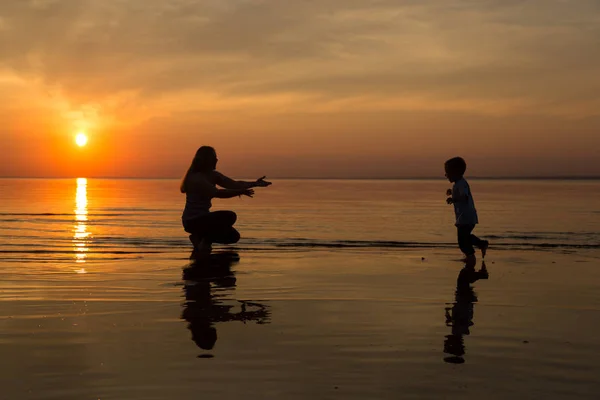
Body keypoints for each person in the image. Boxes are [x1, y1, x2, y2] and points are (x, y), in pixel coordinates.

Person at [180, 146, 271, 256]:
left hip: (204, 219)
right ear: (207, 159)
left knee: (233, 236)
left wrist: (255, 183)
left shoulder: (213, 175)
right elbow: (218, 193)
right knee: (229, 216)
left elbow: (234, 184)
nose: (217, 160)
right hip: (192, 221)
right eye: (214, 157)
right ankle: (203, 240)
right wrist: (240, 192)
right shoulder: (196, 178)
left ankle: (198, 237)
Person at [445, 157, 488, 267]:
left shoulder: (461, 184)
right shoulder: (458, 184)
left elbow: (464, 197)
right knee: (465, 238)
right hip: (464, 217)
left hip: (466, 217)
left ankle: (471, 258)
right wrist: (452, 193)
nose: (446, 175)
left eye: (448, 172)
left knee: (463, 241)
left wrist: (453, 199)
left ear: (456, 172)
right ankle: (481, 244)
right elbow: (460, 194)